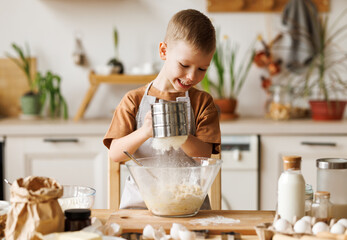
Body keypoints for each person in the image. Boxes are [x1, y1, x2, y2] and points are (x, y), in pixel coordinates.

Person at [103, 9, 221, 209]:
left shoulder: (202, 103)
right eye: (184, 65)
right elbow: (115, 154)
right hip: (140, 207)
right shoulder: (134, 100)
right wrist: (145, 132)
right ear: (164, 51)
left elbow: (205, 155)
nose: (192, 76)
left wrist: (180, 134)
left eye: (202, 69)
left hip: (189, 204)